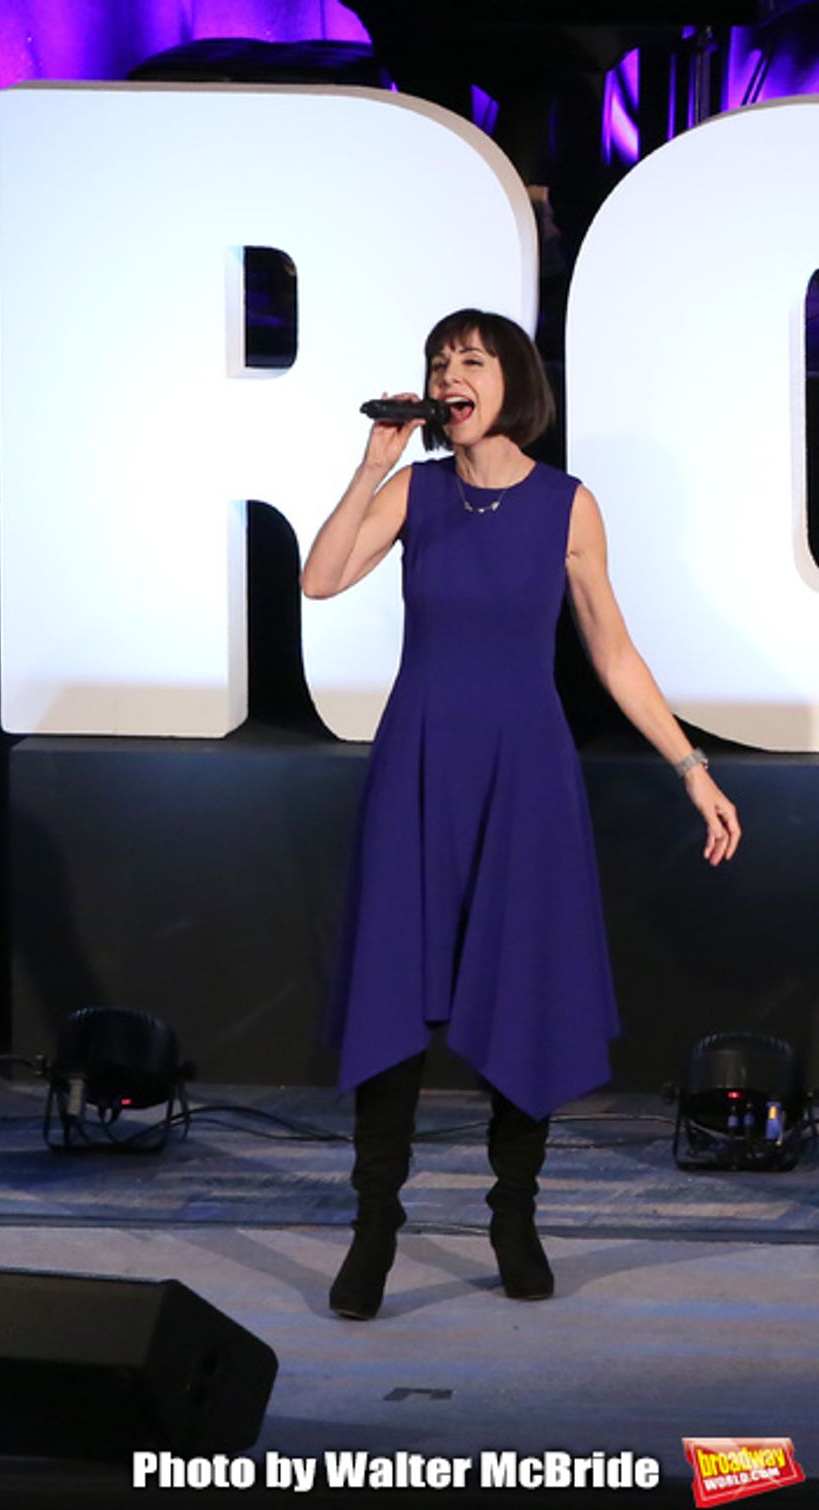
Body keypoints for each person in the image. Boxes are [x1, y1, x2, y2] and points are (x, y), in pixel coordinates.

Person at [301, 309, 740, 1320]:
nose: (447, 376)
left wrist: (687, 765)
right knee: (393, 993)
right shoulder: (413, 489)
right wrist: (368, 463)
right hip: (418, 760)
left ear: (513, 385)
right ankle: (373, 1225)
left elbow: (612, 653)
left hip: (524, 770)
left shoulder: (566, 506)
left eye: (469, 360)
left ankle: (512, 1216)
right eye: (436, 362)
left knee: (522, 988)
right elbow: (319, 578)